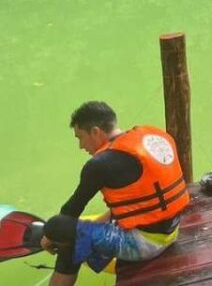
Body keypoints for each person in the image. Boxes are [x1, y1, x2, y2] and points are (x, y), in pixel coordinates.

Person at [40, 102, 190, 286]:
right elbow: (134, 204)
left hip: (144, 245)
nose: (81, 146)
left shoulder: (101, 163)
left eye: (80, 137)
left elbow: (71, 210)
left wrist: (50, 236)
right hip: (172, 231)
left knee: (58, 228)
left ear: (95, 132)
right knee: (75, 233)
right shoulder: (154, 137)